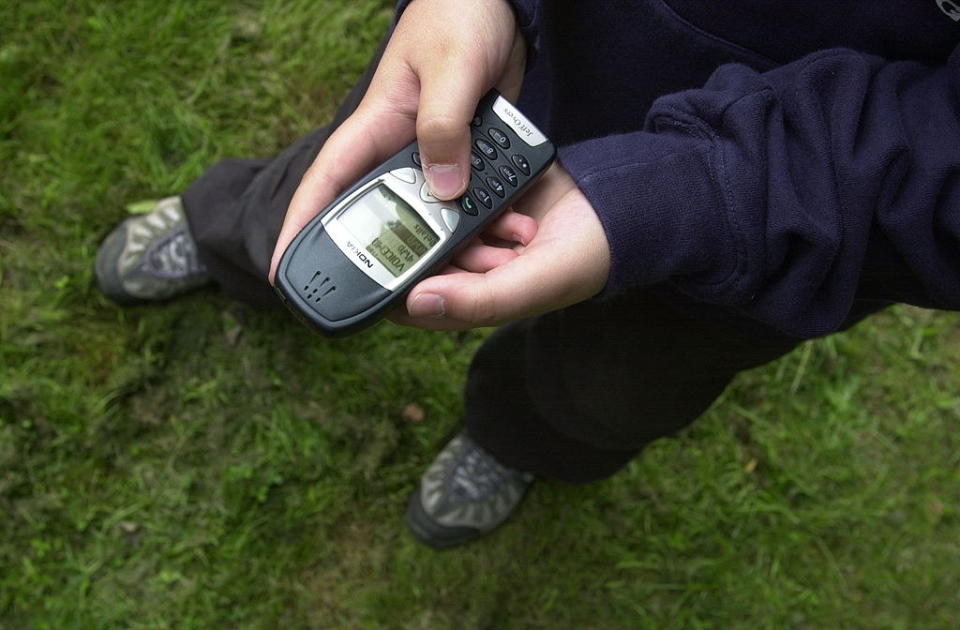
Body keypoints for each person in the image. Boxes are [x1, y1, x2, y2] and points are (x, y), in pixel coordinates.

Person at [94, 0, 960, 548]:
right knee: (324, 192)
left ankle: (518, 441)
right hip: (515, 56)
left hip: (790, 220)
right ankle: (228, 238)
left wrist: (697, 197)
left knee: (613, 386)